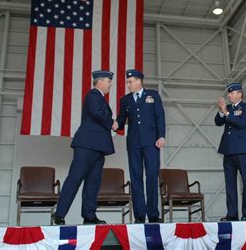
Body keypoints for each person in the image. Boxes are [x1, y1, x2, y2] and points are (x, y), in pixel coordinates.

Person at [52, 70, 116, 225]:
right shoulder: (93, 95)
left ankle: (89, 215)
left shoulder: (99, 97)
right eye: (108, 81)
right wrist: (112, 122)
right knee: (75, 178)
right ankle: (59, 214)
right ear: (99, 81)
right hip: (87, 145)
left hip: (98, 147)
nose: (110, 84)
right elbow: (97, 113)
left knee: (93, 183)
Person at [115, 69, 166, 223]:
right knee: (136, 179)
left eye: (130, 82)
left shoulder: (153, 95)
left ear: (139, 81)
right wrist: (113, 124)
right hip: (134, 144)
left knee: (151, 177)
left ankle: (152, 214)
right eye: (127, 82)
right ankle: (139, 215)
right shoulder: (125, 100)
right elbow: (121, 120)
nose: (128, 85)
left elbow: (160, 116)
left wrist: (161, 136)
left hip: (151, 143)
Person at [214, 82, 246, 221]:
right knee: (230, 184)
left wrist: (226, 112)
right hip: (228, 150)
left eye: (232, 93)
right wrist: (221, 110)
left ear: (239, 94)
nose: (229, 95)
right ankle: (232, 214)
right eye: (228, 93)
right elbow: (218, 122)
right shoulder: (228, 108)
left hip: (242, 150)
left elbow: (242, 123)